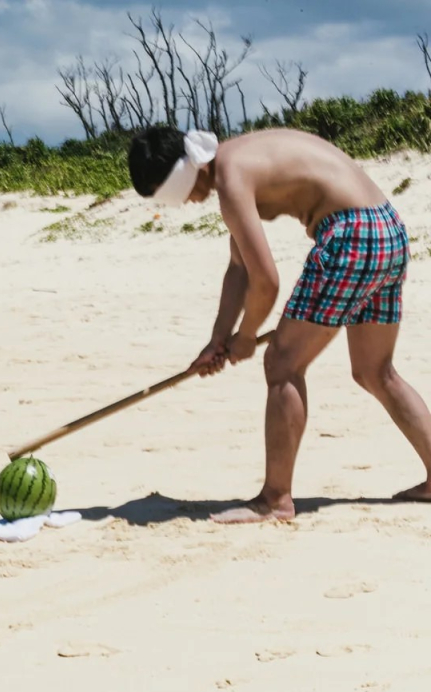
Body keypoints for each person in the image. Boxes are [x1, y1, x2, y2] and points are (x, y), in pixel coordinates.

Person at [128, 125, 431, 523]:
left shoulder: (231, 176)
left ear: (183, 173)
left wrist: (247, 337)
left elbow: (266, 282)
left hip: (353, 238)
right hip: (386, 230)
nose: (183, 203)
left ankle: (275, 499)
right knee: (376, 371)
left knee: (282, 364)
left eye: (172, 194)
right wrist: (218, 339)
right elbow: (240, 267)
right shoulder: (235, 160)